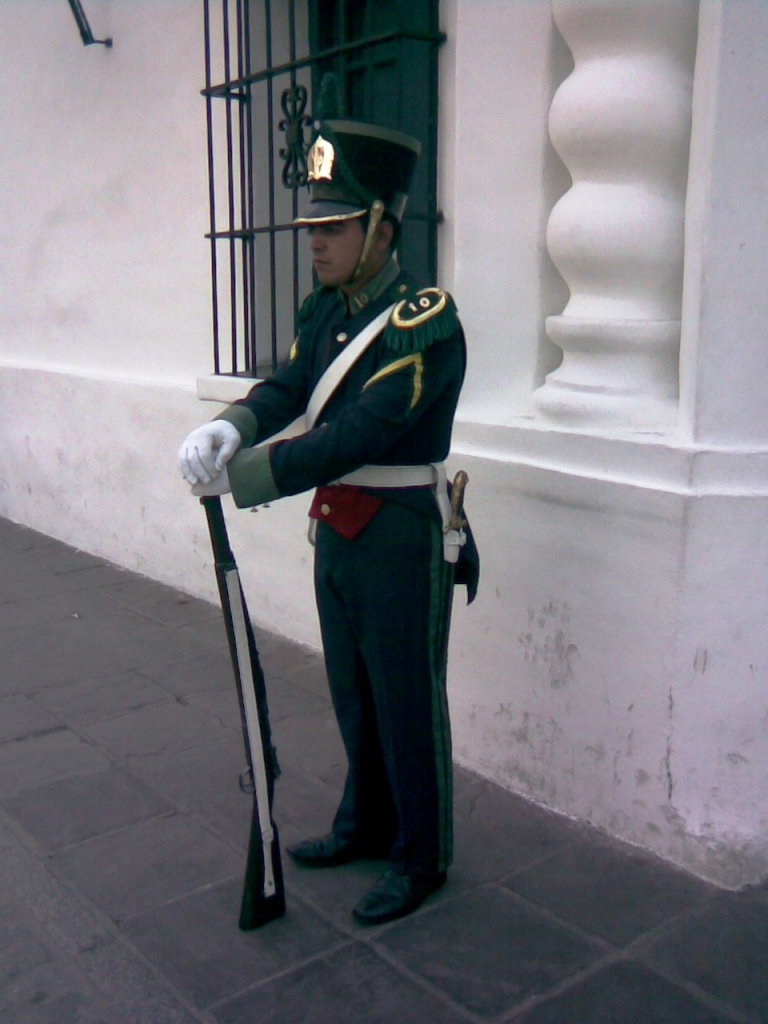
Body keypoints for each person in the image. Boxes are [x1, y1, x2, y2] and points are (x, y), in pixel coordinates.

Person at [178, 110, 478, 925]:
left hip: (398, 529)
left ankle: (421, 856)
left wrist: (245, 476)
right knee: (354, 691)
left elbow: (359, 434)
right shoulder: (325, 312)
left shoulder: (424, 323)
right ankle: (365, 824)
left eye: (334, 226)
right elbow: (288, 389)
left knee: (406, 699)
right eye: (312, 227)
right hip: (338, 524)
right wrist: (232, 425)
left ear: (382, 227)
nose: (315, 242)